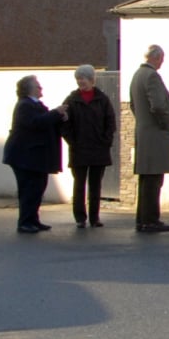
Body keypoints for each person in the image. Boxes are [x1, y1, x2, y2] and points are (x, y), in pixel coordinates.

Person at [2, 76, 62, 233]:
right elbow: (36, 123)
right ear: (30, 89)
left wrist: (58, 116)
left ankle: (33, 219)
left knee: (38, 188)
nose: (41, 89)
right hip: (24, 156)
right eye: (38, 86)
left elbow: (44, 120)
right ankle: (25, 222)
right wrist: (56, 113)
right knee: (29, 189)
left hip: (34, 156)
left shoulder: (35, 104)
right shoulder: (25, 105)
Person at [57, 65, 115, 229]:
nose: (80, 81)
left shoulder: (102, 99)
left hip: (99, 149)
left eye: (83, 78)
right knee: (79, 184)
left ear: (91, 79)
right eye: (78, 79)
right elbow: (64, 122)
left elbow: (110, 122)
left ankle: (94, 218)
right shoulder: (72, 100)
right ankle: (80, 218)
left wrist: (106, 141)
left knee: (96, 186)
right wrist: (72, 141)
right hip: (79, 149)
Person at [128, 44, 169, 233]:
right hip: (155, 135)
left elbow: (133, 105)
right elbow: (158, 105)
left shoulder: (136, 76)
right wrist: (166, 122)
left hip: (143, 131)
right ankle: (150, 220)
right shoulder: (151, 76)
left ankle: (142, 219)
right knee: (154, 180)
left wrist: (143, 121)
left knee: (146, 179)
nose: (162, 63)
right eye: (161, 59)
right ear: (156, 58)